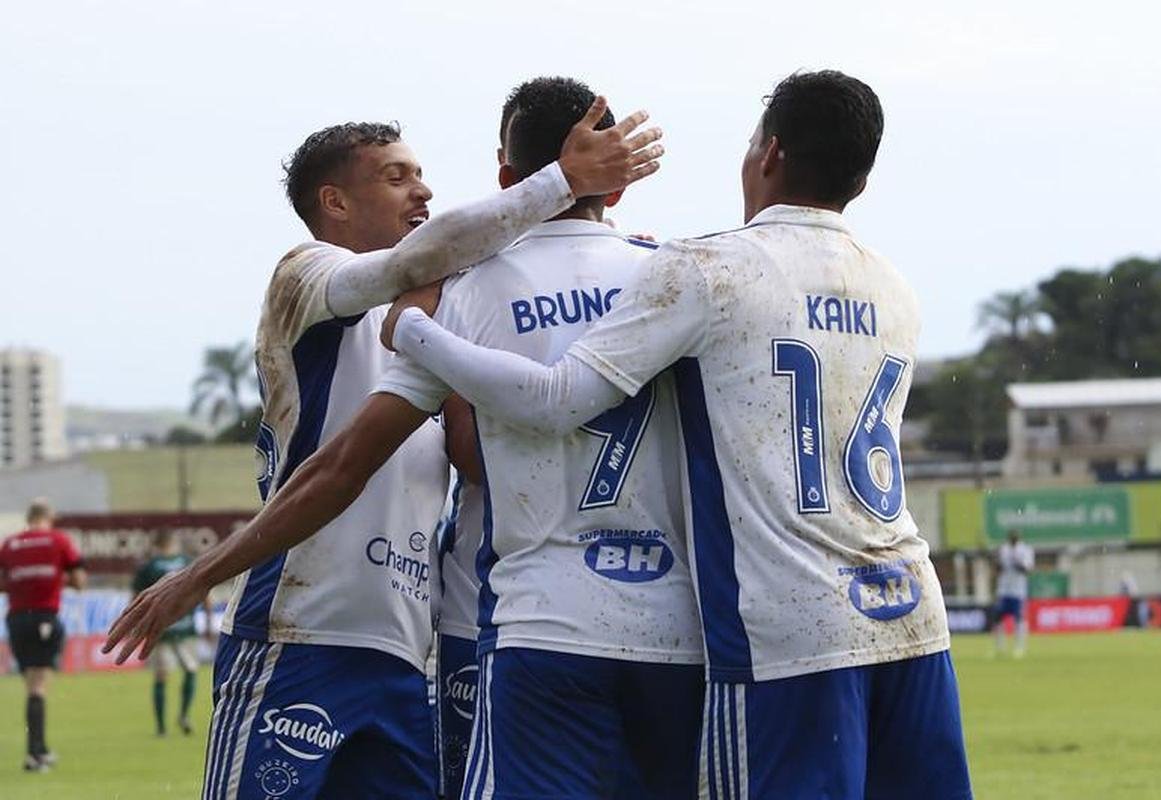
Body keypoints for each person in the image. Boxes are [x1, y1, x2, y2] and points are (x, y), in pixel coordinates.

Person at [386, 70, 974, 798]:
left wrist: (412, 330)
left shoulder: (707, 267)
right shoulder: (892, 286)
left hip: (785, 627)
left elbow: (555, 400)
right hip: (909, 608)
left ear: (769, 154)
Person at [103, 99, 664, 800]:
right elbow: (342, 460)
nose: (423, 190)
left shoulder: (440, 305)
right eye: (397, 177)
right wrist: (560, 181)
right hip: (299, 630)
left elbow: (469, 456)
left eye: (422, 174)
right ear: (334, 200)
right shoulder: (306, 276)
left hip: (409, 650)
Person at [378, 77, 703, 800]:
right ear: (615, 186)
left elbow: (462, 452)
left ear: (504, 179)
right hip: (678, 622)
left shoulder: (469, 288)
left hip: (543, 619)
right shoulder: (679, 273)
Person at [0, 499, 86, 772]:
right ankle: (34, 755)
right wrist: (59, 580)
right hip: (44, 617)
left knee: (31, 686)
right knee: (38, 687)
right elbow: (80, 581)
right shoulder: (58, 540)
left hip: (16, 620)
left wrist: (20, 585)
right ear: (48, 518)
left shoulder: (10, 543)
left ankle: (41, 749)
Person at [132, 530, 214, 736]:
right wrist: (208, 622)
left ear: (157, 545)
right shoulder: (187, 562)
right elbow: (204, 593)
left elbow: (137, 599)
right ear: (173, 543)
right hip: (185, 628)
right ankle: (184, 715)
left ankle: (161, 727)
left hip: (161, 631)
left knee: (161, 677)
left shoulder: (148, 568)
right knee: (191, 670)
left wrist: (135, 627)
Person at [992, 529, 1034, 657]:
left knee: (1019, 619)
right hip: (1003, 590)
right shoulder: (1003, 549)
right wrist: (997, 563)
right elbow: (997, 568)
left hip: (1018, 591)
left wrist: (1017, 562)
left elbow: (1028, 570)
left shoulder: (1025, 550)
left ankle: (1019, 648)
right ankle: (1000, 648)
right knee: (997, 618)